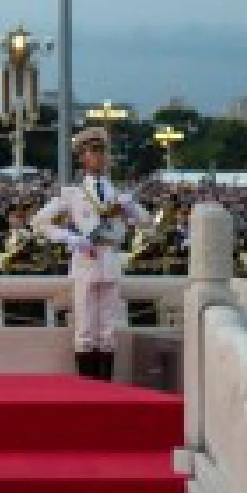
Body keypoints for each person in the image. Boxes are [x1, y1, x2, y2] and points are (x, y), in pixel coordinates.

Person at [32, 126, 149, 381]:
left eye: (102, 151)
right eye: (93, 152)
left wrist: (131, 206)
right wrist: (72, 239)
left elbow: (146, 222)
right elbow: (40, 222)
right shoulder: (72, 194)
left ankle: (106, 386)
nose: (100, 157)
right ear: (82, 157)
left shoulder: (116, 194)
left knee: (108, 331)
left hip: (110, 258)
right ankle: (87, 388)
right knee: (85, 328)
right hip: (86, 259)